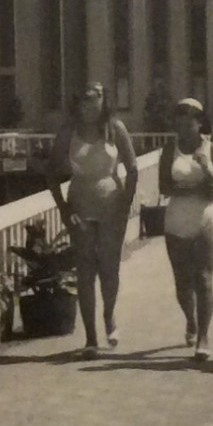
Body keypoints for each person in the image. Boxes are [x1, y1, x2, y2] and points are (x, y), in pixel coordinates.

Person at [48, 82, 138, 357]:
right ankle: (90, 338)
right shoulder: (68, 132)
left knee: (109, 269)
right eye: (85, 99)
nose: (90, 105)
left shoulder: (115, 128)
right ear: (78, 103)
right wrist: (63, 208)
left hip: (112, 205)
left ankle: (109, 316)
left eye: (95, 99)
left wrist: (125, 202)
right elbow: (51, 173)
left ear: (103, 101)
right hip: (80, 203)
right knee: (85, 271)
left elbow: (133, 168)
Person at [159, 98, 213, 361]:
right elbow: (164, 187)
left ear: (200, 123)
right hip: (177, 220)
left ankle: (203, 337)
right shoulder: (169, 149)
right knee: (182, 282)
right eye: (180, 124)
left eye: (190, 124)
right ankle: (191, 320)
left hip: (208, 219)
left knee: (203, 278)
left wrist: (205, 169)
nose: (184, 129)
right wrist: (195, 189)